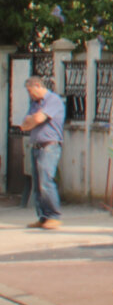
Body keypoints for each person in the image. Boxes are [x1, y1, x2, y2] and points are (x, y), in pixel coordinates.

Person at [19, 75, 64, 229]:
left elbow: (38, 119)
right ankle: (43, 217)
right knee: (37, 183)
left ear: (38, 85)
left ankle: (54, 215)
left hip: (49, 146)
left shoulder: (53, 100)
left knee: (46, 181)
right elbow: (24, 124)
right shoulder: (35, 103)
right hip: (36, 146)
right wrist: (33, 119)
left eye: (30, 91)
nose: (30, 94)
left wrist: (33, 119)